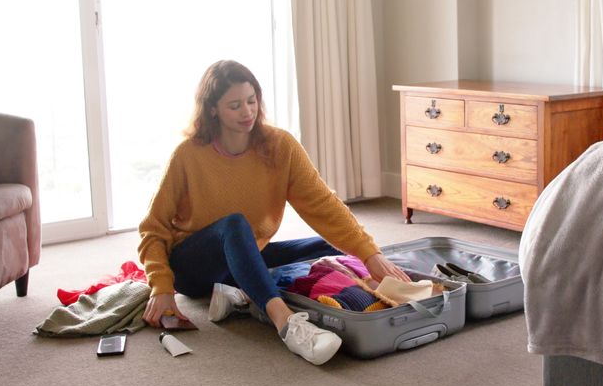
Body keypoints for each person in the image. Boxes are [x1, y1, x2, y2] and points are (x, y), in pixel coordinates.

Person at [138, 59, 411, 365]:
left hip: (241, 257)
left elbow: (323, 204)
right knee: (234, 224)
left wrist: (370, 254)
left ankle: (240, 297)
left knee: (327, 247)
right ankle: (286, 322)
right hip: (193, 269)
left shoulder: (280, 146)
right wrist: (161, 287)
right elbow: (153, 228)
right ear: (212, 109)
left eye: (252, 100)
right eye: (235, 105)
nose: (247, 112)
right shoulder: (188, 155)